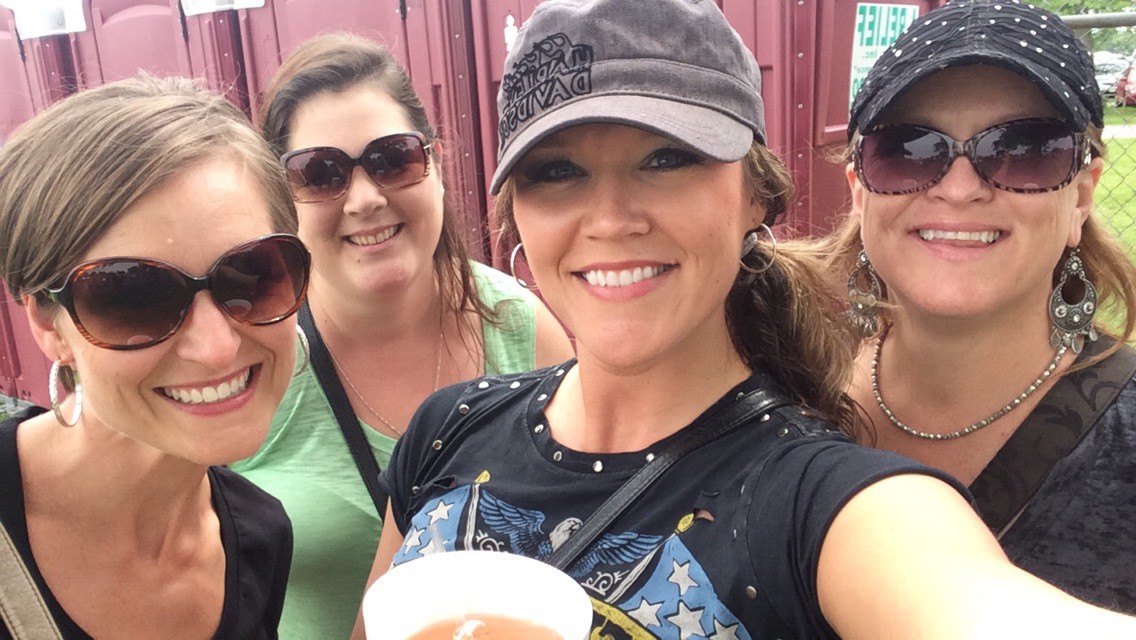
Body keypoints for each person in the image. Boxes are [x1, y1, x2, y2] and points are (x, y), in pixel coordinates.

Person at [354, 1, 1136, 638]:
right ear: (515, 214)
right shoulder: (448, 429)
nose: (611, 217)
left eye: (667, 158)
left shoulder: (822, 501)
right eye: (557, 171)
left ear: (755, 196)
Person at [228, 34, 573, 639]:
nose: (365, 198)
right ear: (284, 202)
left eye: (393, 159)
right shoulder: (247, 357)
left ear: (435, 165)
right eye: (320, 173)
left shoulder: (522, 328)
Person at [828, 0, 1136, 612]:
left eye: (1024, 149)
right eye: (909, 148)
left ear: (1081, 196)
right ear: (860, 192)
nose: (961, 188)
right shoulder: (784, 381)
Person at [0, 75, 307, 638]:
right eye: (133, 296)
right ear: (47, 324)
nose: (216, 347)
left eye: (251, 274)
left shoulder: (259, 539)